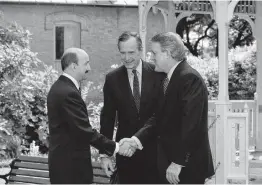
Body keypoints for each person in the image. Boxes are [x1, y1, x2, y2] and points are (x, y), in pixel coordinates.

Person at [122, 32, 215, 184]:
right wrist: (135, 140)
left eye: (154, 53)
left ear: (167, 53)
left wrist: (178, 162)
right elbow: (158, 118)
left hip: (185, 168)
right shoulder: (169, 79)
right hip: (170, 165)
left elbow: (191, 125)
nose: (151, 58)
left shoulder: (189, 78)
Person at [47, 48, 133, 184]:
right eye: (86, 63)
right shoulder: (67, 92)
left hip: (66, 166)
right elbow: (83, 131)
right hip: (71, 170)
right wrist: (115, 147)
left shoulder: (61, 87)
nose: (89, 68)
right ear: (74, 66)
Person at [99, 31, 164, 184]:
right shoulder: (112, 78)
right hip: (126, 154)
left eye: (131, 52)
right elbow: (107, 118)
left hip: (155, 153)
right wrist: (105, 154)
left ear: (141, 50)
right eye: (123, 53)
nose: (126, 58)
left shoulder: (159, 74)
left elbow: (162, 114)